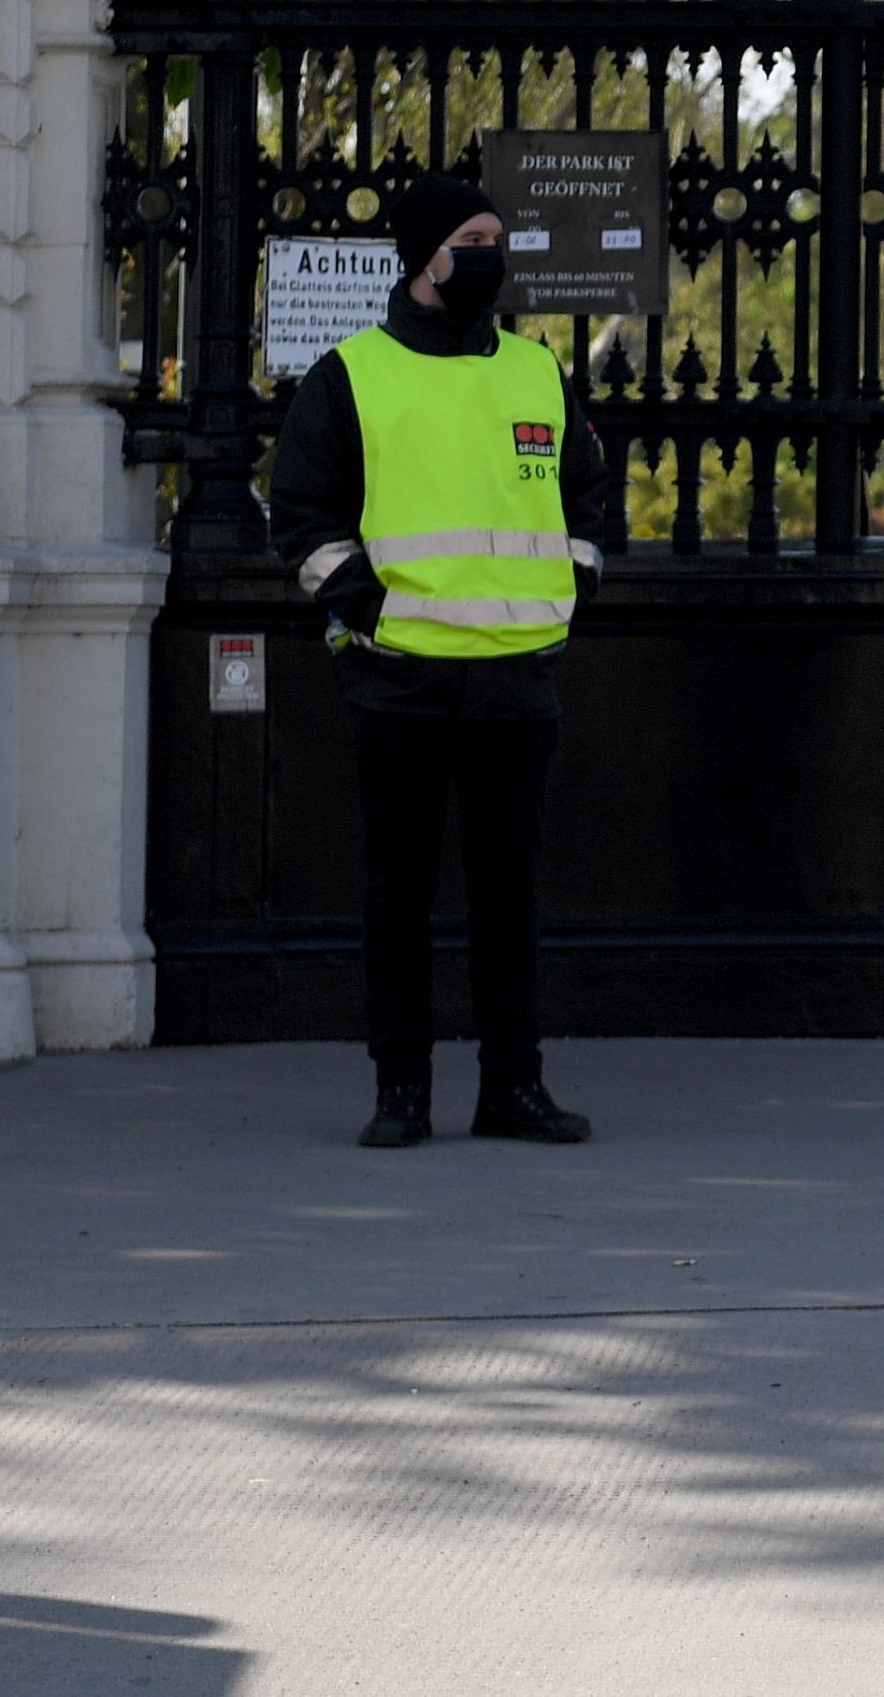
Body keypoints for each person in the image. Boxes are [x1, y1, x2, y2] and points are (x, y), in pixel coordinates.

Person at [268, 172, 609, 1151]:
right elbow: (301, 516)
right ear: (425, 254)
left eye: (499, 238)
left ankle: (514, 1088)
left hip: (516, 680)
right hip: (401, 680)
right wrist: (368, 611)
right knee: (399, 898)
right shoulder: (352, 375)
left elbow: (586, 495)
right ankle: (401, 1092)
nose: (493, 256)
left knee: (510, 901)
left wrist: (575, 584)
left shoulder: (536, 372)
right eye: (474, 237)